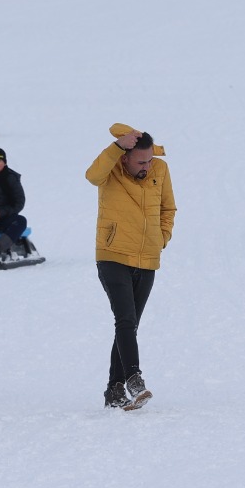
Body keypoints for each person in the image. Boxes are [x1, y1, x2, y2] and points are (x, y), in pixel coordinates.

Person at [87, 125, 176, 410]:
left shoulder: (160, 170)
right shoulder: (111, 167)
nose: (147, 166)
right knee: (125, 319)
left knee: (130, 325)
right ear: (125, 157)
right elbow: (92, 176)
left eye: (149, 160)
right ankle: (133, 378)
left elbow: (168, 208)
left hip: (147, 257)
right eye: (140, 161)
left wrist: (161, 238)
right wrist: (115, 147)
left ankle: (114, 391)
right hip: (113, 255)